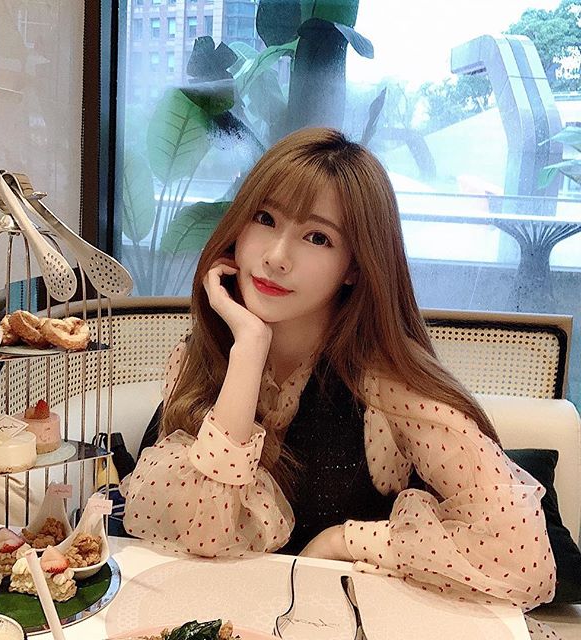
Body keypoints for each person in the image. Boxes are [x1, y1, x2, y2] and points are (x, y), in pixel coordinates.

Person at [121, 128, 555, 615]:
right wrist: (249, 350)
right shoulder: (203, 358)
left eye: (318, 237)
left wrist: (343, 541)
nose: (276, 257)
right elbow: (201, 536)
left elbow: (522, 559)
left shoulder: (384, 386)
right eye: (265, 218)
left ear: (355, 267)